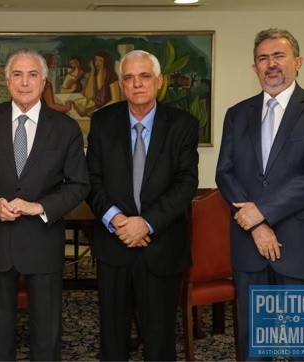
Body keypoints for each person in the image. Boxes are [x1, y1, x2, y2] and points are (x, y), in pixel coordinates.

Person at [0, 49, 89, 360]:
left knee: (46, 330)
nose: (24, 82)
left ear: (44, 81)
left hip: (43, 240)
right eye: (17, 74)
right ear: (6, 81)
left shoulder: (65, 128)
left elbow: (79, 184)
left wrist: (39, 207)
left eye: (32, 75)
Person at [215, 28, 304, 360]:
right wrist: (256, 225)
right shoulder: (237, 114)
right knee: (255, 349)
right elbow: (224, 172)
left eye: (278, 56)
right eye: (263, 58)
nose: (271, 64)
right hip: (250, 249)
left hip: (302, 250)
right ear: (254, 67)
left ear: (297, 61)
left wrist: (261, 212)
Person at [86, 49, 199, 360]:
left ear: (159, 81)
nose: (137, 84)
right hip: (114, 243)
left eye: (144, 76)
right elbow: (91, 179)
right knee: (112, 334)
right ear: (122, 84)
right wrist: (117, 220)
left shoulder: (182, 124)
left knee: (160, 336)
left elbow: (186, 183)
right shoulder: (102, 121)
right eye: (129, 78)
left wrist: (144, 223)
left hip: (160, 245)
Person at [73, 50, 121, 118]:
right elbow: (88, 95)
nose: (97, 63)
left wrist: (97, 111)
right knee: (77, 111)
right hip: (96, 106)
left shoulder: (112, 77)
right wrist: (92, 71)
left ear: (106, 62)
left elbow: (116, 100)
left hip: (108, 108)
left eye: (100, 61)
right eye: (95, 60)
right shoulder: (95, 75)